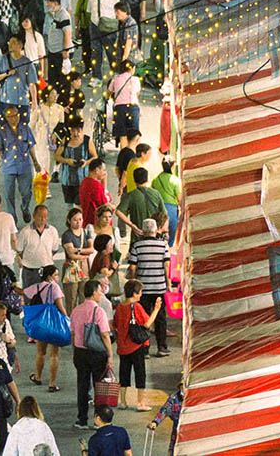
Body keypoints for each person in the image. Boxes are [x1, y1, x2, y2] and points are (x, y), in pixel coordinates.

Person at [112, 279, 162, 411]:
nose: (141, 295)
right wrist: (156, 309)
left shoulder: (120, 307)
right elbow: (147, 324)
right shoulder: (136, 307)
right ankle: (140, 403)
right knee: (140, 374)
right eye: (140, 292)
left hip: (122, 347)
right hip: (136, 346)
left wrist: (118, 339)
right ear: (134, 293)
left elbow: (114, 325)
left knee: (124, 374)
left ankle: (123, 401)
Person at [71, 279, 114, 428]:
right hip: (97, 354)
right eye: (100, 291)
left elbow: (73, 333)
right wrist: (110, 354)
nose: (101, 294)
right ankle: (99, 420)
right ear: (94, 292)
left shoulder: (76, 310)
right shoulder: (99, 311)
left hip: (80, 352)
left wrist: (74, 351)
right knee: (99, 387)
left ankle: (82, 420)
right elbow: (104, 335)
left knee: (82, 386)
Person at [126, 218, 171, 357]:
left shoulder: (137, 246)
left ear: (143, 230)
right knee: (160, 318)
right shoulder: (163, 245)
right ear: (156, 230)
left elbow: (133, 267)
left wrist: (134, 282)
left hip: (142, 289)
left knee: (143, 318)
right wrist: (168, 284)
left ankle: (144, 349)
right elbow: (166, 266)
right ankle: (162, 347)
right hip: (159, 288)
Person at [0, 103, 41, 224]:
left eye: (16, 115)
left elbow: (31, 147)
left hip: (25, 166)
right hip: (9, 167)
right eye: (11, 116)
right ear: (6, 118)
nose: (15, 118)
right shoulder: (2, 132)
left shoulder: (25, 128)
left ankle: (25, 208)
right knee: (9, 194)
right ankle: (12, 217)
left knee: (26, 192)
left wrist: (36, 162)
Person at [23, 264, 67, 390]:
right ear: (49, 277)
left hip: (41, 324)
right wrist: (67, 319)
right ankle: (52, 383)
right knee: (54, 354)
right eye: (56, 275)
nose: (58, 278)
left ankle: (38, 377)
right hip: (54, 323)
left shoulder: (37, 286)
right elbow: (60, 306)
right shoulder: (55, 287)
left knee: (40, 352)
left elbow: (24, 292)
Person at [0, 35, 39, 127]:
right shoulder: (3, 59)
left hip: (22, 102)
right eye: (10, 42)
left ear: (20, 45)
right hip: (6, 101)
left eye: (14, 42)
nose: (10, 45)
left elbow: (32, 84)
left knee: (22, 129)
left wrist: (34, 101)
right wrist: (6, 74)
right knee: (3, 128)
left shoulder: (27, 63)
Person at [15, 204, 61, 289]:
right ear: (33, 216)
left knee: (48, 297)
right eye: (40, 216)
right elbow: (20, 251)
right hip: (30, 272)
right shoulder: (25, 232)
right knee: (30, 299)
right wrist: (31, 259)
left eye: (45, 217)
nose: (43, 219)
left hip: (48, 272)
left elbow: (54, 250)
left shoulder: (53, 231)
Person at [116, 167, 166, 244]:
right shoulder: (156, 193)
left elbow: (118, 212)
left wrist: (132, 225)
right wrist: (160, 230)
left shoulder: (131, 195)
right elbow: (164, 214)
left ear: (134, 180)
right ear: (147, 178)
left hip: (138, 237)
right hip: (154, 236)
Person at [60, 207, 96, 312]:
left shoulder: (85, 232)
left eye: (80, 219)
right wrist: (83, 255)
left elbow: (91, 249)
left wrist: (78, 250)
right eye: (75, 220)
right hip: (71, 267)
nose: (78, 222)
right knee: (71, 296)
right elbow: (71, 254)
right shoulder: (67, 235)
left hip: (84, 267)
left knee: (84, 294)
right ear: (69, 220)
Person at [55, 118, 95, 205]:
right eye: (73, 131)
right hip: (67, 180)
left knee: (80, 206)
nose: (76, 134)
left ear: (82, 130)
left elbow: (95, 157)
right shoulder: (66, 140)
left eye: (78, 130)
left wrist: (86, 162)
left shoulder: (87, 141)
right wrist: (67, 161)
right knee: (68, 207)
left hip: (83, 180)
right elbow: (57, 156)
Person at [88, 0, 120, 78]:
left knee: (111, 52)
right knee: (95, 53)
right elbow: (89, 10)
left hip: (109, 28)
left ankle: (116, 73)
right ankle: (96, 77)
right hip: (94, 26)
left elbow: (118, 12)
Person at [109, 60, 141, 149]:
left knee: (122, 135)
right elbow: (137, 94)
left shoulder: (116, 78)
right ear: (131, 69)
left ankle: (124, 156)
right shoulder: (135, 79)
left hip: (120, 108)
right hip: (133, 108)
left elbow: (109, 92)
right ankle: (133, 155)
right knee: (134, 134)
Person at [150, 160, 181, 247]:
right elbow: (179, 198)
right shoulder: (175, 181)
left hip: (158, 208)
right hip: (172, 209)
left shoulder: (156, 179)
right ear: (172, 167)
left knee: (157, 229)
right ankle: (168, 249)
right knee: (171, 231)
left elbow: (153, 194)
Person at [149, 385, 185, 456]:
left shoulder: (195, 397)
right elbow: (164, 410)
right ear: (180, 387)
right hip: (177, 432)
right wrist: (155, 422)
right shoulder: (174, 398)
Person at [114, 2, 140, 68]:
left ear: (125, 12)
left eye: (118, 12)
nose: (116, 14)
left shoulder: (129, 24)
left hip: (129, 58)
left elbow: (128, 44)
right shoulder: (125, 23)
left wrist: (124, 61)